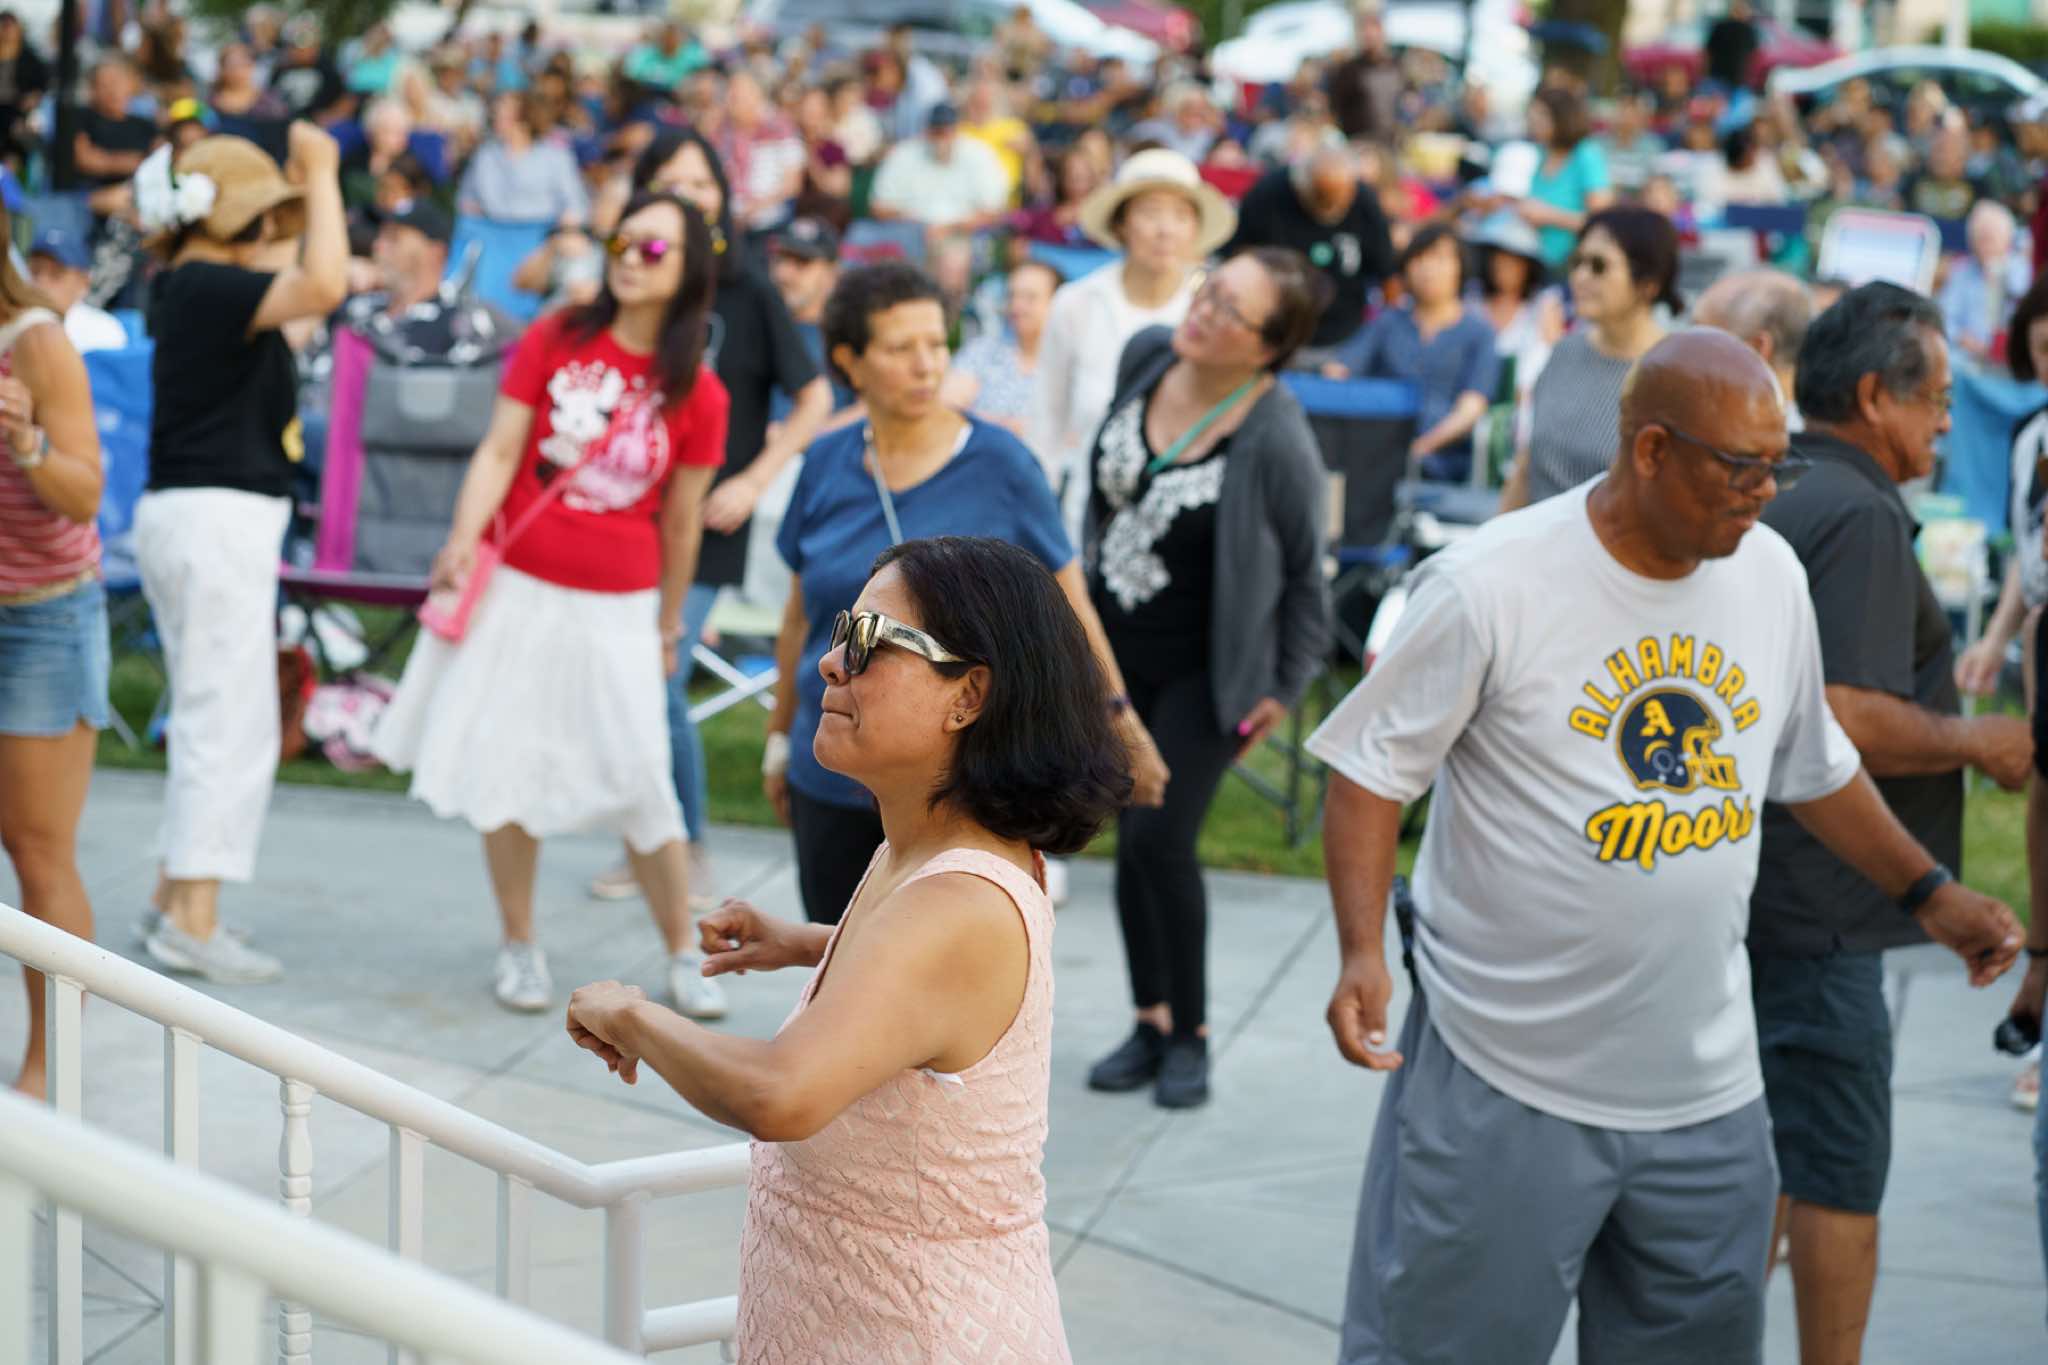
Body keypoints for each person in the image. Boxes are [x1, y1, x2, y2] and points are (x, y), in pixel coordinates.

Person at [1309, 327, 2023, 1365]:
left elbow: (1811, 765)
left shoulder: (1769, 575)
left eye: (1776, 467)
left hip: (1705, 1094)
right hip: (1508, 1074)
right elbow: (1371, 770)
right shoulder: (1488, 583)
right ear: (1649, 449)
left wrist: (1929, 895)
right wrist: (1361, 951)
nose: (1764, 493)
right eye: (1740, 469)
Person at [566, 535, 1128, 1365]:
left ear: (969, 695)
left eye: (868, 642)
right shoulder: (929, 854)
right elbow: (934, 992)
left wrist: (630, 1015)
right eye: (839, 633)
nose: (830, 663)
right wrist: (807, 944)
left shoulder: (955, 900)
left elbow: (779, 1092)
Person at [1747, 280, 2033, 1365]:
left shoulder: (1785, 482)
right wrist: (1979, 740)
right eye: (1939, 400)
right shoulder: (1859, 512)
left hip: (1760, 891)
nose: (1948, 424)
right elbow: (1842, 718)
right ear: (1874, 396)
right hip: (1817, 906)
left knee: (1761, 1167)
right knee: (1834, 1173)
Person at [373, 191, 730, 1018]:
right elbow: (501, 447)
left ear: (689, 271)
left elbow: (682, 522)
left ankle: (684, 949)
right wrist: (463, 537)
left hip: (620, 603)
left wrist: (668, 622)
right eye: (623, 239)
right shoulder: (557, 335)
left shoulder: (700, 391)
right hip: (521, 587)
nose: (629, 256)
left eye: (654, 248)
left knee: (644, 779)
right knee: (508, 768)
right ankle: (520, 944)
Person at [764, 263, 1168, 926]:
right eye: (901, 347)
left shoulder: (1002, 463)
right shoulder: (826, 463)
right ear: (849, 361)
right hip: (834, 772)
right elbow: (798, 620)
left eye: (936, 343)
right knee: (839, 957)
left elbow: (1069, 608)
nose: (927, 364)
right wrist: (780, 736)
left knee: (949, 968)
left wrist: (1122, 723)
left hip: (958, 785)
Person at [1082, 249, 1332, 1109]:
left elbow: (1308, 577)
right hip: (1114, 654)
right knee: (1128, 834)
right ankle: (1147, 1020)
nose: (1204, 311)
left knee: (1161, 838)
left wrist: (1282, 689)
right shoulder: (1146, 356)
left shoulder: (1276, 434)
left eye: (1231, 309)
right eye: (1211, 290)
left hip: (1209, 672)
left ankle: (1189, 1032)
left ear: (1266, 346)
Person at [582, 129, 834, 915]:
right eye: (672, 182)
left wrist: (755, 479)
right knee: (623, 677)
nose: (690, 197)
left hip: (708, 519)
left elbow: (816, 398)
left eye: (702, 184)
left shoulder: (749, 290)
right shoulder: (635, 284)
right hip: (627, 512)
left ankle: (685, 843)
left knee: (658, 671)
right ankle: (644, 840)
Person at [131, 125, 348, 984]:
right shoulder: (209, 285)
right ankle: (193, 919)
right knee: (226, 721)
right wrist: (323, 174)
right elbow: (324, 282)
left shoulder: (194, 285)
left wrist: (294, 193)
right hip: (216, 518)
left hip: (203, 516)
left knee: (214, 711)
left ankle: (173, 898)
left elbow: (300, 276)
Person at [0, 203, 105, 1098]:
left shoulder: (35, 342)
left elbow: (85, 492)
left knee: (37, 852)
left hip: (39, 621)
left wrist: (27, 443)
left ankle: (49, 1070)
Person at [1031, 149, 1235, 530]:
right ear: (1121, 223)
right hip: (1084, 522)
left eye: (1180, 215)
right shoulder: (1077, 304)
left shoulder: (1212, 314)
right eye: (1150, 212)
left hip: (1187, 527)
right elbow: (1046, 423)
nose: (1165, 230)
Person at [1501, 206, 1679, 511]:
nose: (1580, 277)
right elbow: (1526, 468)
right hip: (1537, 533)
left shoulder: (1672, 375)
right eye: (1577, 262)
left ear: (1648, 283)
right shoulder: (1565, 352)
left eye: (1598, 266)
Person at [1328, 224, 1499, 482]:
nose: (1428, 268)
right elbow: (1341, 370)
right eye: (1419, 259)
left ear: (1460, 268)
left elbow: (1471, 408)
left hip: (1441, 462)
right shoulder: (1387, 322)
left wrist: (1422, 447)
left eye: (1439, 258)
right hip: (1375, 447)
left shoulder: (1479, 333)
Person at [1224, 143, 1396, 361]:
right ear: (1300, 186)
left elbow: (1387, 274)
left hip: (1343, 334)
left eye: (1340, 200)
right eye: (1322, 199)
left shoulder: (1365, 203)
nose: (1332, 208)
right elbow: (1237, 256)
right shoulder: (1267, 195)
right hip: (1276, 332)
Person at [943, 259, 1059, 436]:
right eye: (1012, 296)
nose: (1017, 305)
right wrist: (1016, 428)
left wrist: (980, 421)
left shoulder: (1068, 364)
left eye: (1030, 298)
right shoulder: (982, 351)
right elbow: (947, 407)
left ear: (1058, 303)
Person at [869, 104, 1010, 246]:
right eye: (936, 132)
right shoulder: (904, 154)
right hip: (911, 232)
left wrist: (949, 228)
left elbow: (994, 211)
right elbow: (879, 207)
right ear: (927, 131)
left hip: (966, 234)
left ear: (956, 131)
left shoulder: (980, 154)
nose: (941, 139)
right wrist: (918, 224)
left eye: (946, 132)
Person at [1691, 267, 1811, 424]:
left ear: (1756, 348)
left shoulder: (1743, 431)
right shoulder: (1817, 423)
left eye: (1702, 342)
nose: (1689, 356)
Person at [1517, 86, 1614, 272]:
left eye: (1541, 116)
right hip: (1536, 258)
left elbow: (1600, 221)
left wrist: (1547, 215)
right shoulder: (1542, 153)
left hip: (1572, 264)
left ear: (1561, 118)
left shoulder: (1586, 155)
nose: (1534, 122)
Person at [458, 92, 587, 225]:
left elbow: (575, 204)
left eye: (506, 114)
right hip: (493, 229)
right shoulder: (485, 155)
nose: (495, 116)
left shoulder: (557, 157)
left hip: (543, 230)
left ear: (525, 118)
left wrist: (564, 225)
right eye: (496, 112)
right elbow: (466, 197)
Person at [1940, 200, 2032, 368]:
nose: (1984, 246)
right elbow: (1944, 317)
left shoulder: (2024, 272)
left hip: (2012, 361)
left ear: (2007, 239)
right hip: (1968, 360)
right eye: (1979, 238)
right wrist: (1963, 339)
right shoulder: (1961, 272)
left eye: (1990, 238)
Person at [715, 70, 805, 234]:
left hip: (771, 220)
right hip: (729, 217)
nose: (730, 98)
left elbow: (792, 185)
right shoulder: (721, 131)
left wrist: (754, 207)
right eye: (730, 92)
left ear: (758, 96)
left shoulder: (780, 129)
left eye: (738, 94)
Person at [25, 231, 127, 354]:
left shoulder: (103, 331)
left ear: (84, 282)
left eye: (55, 273)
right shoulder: (13, 325)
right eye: (35, 271)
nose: (41, 282)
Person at [71, 57, 155, 191]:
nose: (112, 90)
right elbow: (84, 160)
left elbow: (161, 160)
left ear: (131, 85)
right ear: (92, 90)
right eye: (104, 85)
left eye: (117, 82)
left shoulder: (146, 125)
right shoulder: (80, 118)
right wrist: (137, 162)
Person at [1327, 5, 1402, 144]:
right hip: (1360, 143)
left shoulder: (1396, 66)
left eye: (1374, 30)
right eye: (1365, 31)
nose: (1370, 36)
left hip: (1391, 142)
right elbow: (1334, 108)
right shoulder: (1348, 70)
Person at [1705, 0, 1760, 92]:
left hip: (1722, 75)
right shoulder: (1747, 29)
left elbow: (1708, 51)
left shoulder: (1720, 26)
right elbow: (1753, 54)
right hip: (1735, 77)